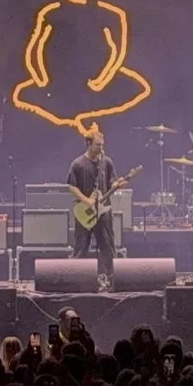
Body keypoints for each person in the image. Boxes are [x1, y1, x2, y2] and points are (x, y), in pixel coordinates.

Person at [66, 123, 120, 288]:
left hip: (103, 212)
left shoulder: (107, 162)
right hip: (85, 212)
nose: (101, 147)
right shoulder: (78, 164)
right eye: (98, 144)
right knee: (81, 246)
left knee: (108, 247)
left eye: (103, 144)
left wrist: (117, 184)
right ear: (88, 143)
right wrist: (87, 200)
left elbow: (112, 181)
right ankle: (76, 282)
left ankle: (111, 281)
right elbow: (71, 186)